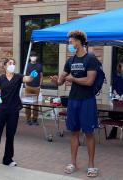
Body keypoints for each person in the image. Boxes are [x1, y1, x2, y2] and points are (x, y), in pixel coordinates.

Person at [50, 30, 99, 177]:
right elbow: (61, 81)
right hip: (73, 100)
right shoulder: (70, 61)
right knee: (74, 132)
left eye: (70, 41)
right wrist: (56, 81)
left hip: (87, 101)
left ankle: (91, 166)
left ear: (78, 41)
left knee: (89, 133)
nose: (69, 44)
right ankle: (73, 163)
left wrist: (73, 79)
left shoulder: (90, 59)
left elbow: (90, 81)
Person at [0, 58, 38, 167]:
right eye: (10, 63)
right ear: (4, 66)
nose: (12, 65)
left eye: (14, 63)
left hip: (13, 109)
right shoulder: (0, 79)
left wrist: (32, 76)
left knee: (10, 135)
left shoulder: (18, 77)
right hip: (1, 109)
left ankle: (8, 159)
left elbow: (27, 79)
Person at [25, 51, 43, 126]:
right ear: (29, 57)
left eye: (34, 56)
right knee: (28, 104)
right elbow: (25, 76)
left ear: (36, 57)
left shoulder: (39, 66)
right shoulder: (27, 65)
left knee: (36, 104)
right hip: (28, 87)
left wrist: (40, 85)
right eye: (32, 56)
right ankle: (28, 119)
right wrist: (25, 84)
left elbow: (41, 76)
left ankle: (35, 119)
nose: (33, 57)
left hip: (36, 87)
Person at [107, 61, 123, 139]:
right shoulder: (116, 76)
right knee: (115, 116)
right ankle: (113, 133)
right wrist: (116, 94)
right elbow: (113, 87)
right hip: (117, 99)